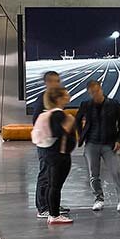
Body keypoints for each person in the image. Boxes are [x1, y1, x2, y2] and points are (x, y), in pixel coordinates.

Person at [77, 77, 120, 213]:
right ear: (89, 93)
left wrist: (119, 140)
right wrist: (81, 135)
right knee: (93, 174)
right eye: (92, 92)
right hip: (91, 144)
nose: (95, 94)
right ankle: (98, 199)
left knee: (116, 172)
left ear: (101, 89)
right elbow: (77, 120)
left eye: (97, 91)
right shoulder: (86, 105)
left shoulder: (113, 104)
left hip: (109, 144)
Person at [40, 89, 78, 226]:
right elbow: (58, 133)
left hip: (51, 153)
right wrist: (68, 124)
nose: (68, 96)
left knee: (53, 185)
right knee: (55, 186)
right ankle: (54, 215)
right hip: (59, 155)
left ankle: (53, 213)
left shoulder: (49, 114)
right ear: (58, 98)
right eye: (65, 95)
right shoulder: (58, 115)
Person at [32, 70, 64, 217]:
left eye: (58, 81)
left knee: (53, 175)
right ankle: (43, 207)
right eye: (54, 81)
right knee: (45, 174)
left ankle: (52, 204)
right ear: (47, 83)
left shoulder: (53, 99)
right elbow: (37, 121)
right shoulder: (43, 99)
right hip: (46, 145)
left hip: (54, 144)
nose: (57, 84)